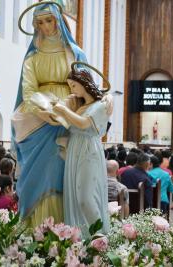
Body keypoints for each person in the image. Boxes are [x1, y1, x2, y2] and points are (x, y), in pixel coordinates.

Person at [11, 2, 90, 227]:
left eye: (49, 20)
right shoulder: (32, 58)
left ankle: (65, 228)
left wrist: (65, 107)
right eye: (40, 22)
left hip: (69, 116)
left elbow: (86, 88)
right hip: (38, 119)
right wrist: (43, 110)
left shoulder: (75, 54)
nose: (45, 26)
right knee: (36, 174)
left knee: (61, 173)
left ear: (58, 20)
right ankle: (35, 227)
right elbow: (28, 91)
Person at [54, 64, 111, 236]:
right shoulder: (80, 106)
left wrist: (63, 110)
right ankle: (81, 238)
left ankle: (99, 237)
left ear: (85, 83)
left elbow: (83, 123)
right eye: (69, 86)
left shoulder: (100, 105)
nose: (72, 89)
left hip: (88, 150)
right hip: (75, 150)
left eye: (73, 85)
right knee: (74, 195)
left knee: (86, 197)